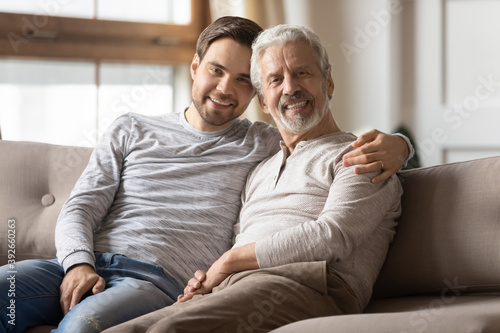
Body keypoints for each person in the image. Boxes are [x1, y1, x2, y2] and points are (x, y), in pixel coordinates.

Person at [0, 17, 410, 333]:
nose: (225, 89)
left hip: (160, 282)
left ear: (254, 96)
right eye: (215, 70)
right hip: (88, 265)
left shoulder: (269, 144)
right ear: (195, 67)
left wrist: (401, 144)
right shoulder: (137, 129)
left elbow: (334, 213)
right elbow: (82, 205)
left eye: (242, 80)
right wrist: (77, 264)